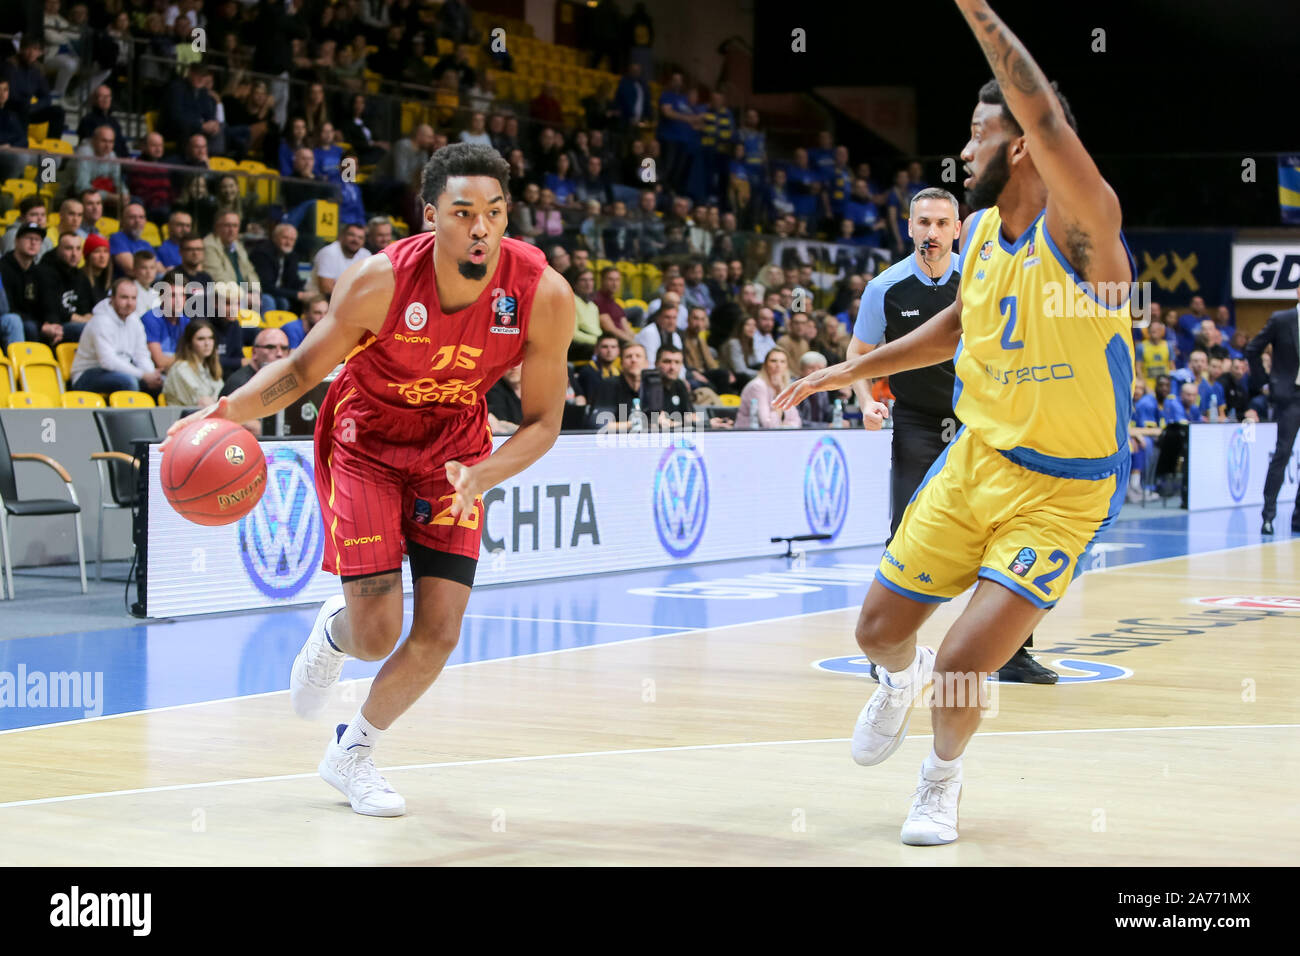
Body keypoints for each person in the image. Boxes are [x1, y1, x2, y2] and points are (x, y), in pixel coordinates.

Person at [775, 3, 1136, 845]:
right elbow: (958, 328)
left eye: (976, 134)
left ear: (1019, 146)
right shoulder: (975, 235)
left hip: (1063, 491)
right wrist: (853, 367)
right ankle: (894, 685)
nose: (962, 150)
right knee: (876, 632)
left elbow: (1043, 110)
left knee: (968, 664)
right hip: (974, 461)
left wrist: (977, 8)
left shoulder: (1085, 234)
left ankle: (941, 781)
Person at [162, 143, 574, 817]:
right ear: (431, 213)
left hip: (455, 449)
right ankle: (337, 633)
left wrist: (483, 474)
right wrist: (229, 410)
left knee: (440, 632)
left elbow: (543, 422)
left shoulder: (543, 294)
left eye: (495, 213)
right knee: (378, 633)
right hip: (365, 441)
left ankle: (352, 752)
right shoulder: (379, 280)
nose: (481, 228)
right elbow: (301, 370)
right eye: (463, 212)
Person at [851, 187, 1054, 683]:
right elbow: (859, 351)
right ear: (910, 228)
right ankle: (890, 655)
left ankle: (1012, 653)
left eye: (943, 223)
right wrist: (865, 401)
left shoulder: (982, 277)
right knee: (905, 530)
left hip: (983, 422)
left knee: (1005, 532)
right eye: (923, 223)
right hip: (918, 422)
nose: (932, 232)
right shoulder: (886, 288)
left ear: (958, 230)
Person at [1246, 284, 1300, 535]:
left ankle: (1298, 517)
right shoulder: (1282, 319)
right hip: (1289, 397)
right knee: (1282, 453)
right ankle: (1268, 515)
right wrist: (1266, 382)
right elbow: (1253, 349)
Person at [70, 277, 162, 395]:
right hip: (87, 374)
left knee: (161, 383)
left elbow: (141, 355)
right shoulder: (100, 321)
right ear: (112, 298)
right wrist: (143, 375)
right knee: (129, 382)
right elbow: (108, 361)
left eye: (133, 298)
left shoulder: (135, 321)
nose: (129, 303)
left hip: (120, 371)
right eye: (124, 297)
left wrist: (151, 375)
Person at [220, 326, 290, 436]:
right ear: (254, 352)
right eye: (270, 347)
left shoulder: (285, 382)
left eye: (284, 348)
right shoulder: (239, 383)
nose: (279, 353)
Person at [162, 318, 223, 407]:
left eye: (210, 338)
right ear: (189, 343)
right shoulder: (181, 369)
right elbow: (203, 403)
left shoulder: (209, 367)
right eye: (201, 339)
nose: (207, 343)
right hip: (185, 418)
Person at [736, 347, 801, 428]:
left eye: (782, 362)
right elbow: (768, 424)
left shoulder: (785, 385)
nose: (778, 365)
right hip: (749, 435)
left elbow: (796, 422)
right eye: (773, 361)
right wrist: (778, 394)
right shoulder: (757, 386)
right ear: (765, 365)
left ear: (786, 366)